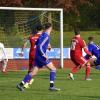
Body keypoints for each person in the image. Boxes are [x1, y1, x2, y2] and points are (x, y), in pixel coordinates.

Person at [17, 23, 60, 91]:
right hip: (41, 56)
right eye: (51, 28)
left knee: (33, 73)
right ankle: (51, 86)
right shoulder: (46, 36)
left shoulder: (42, 35)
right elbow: (39, 46)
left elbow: (37, 44)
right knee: (53, 69)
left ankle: (20, 85)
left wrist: (45, 46)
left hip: (37, 55)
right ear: (50, 28)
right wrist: (44, 54)